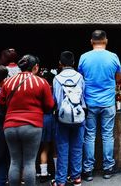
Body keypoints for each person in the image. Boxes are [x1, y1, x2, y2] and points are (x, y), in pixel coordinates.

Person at [0, 54, 55, 186]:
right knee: (29, 162)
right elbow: (49, 105)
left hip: (10, 125)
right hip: (33, 125)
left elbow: (0, 104)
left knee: (15, 161)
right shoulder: (41, 82)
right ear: (35, 67)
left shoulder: (8, 82)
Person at [78, 30, 121, 181]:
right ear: (106, 40)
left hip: (90, 102)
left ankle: (88, 170)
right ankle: (108, 168)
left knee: (89, 136)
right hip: (108, 102)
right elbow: (118, 77)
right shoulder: (113, 57)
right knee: (107, 135)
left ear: (91, 41)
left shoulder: (84, 57)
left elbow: (81, 78)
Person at [51, 51, 86, 186]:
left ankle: (60, 181)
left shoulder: (57, 78)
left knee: (62, 148)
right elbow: (83, 96)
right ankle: (76, 177)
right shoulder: (80, 77)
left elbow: (55, 99)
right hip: (78, 116)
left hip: (62, 117)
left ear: (60, 64)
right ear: (73, 63)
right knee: (77, 147)